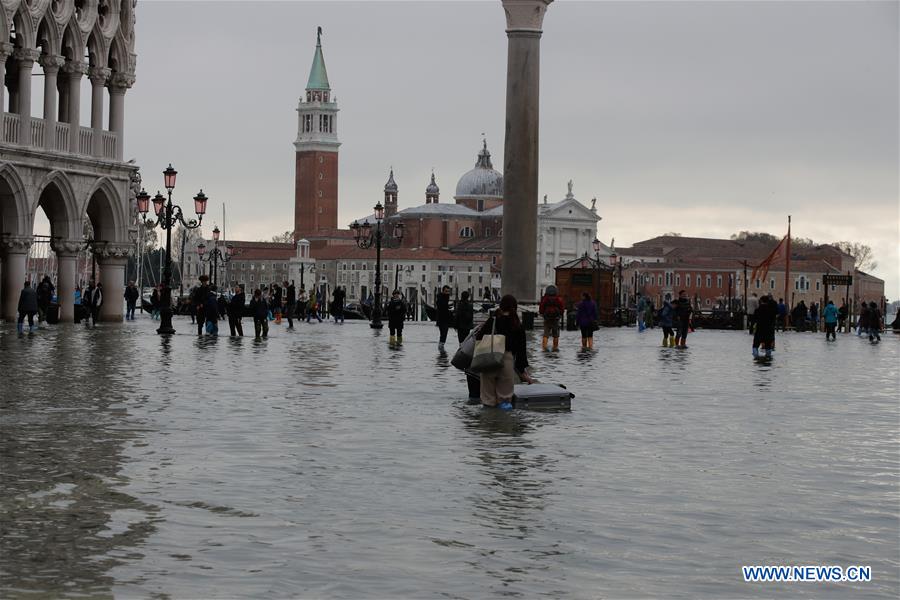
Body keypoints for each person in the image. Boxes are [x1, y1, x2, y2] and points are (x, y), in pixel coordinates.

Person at [476, 294, 533, 408]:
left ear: (501, 306)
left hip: (489, 360)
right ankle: (504, 423)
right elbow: (521, 352)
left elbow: (478, 337)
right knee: (505, 401)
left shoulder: (492, 321)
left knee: (488, 401)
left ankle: (487, 423)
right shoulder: (517, 325)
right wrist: (523, 373)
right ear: (515, 307)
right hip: (506, 360)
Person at [538, 284, 565, 351]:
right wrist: (559, 315)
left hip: (547, 319)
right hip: (555, 319)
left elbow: (541, 309)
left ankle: (544, 347)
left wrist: (543, 314)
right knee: (555, 335)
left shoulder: (545, 299)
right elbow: (562, 310)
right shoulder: (558, 299)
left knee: (546, 334)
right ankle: (555, 348)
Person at [435, 285, 452, 350]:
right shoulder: (440, 297)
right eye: (446, 291)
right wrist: (447, 306)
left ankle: (441, 346)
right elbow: (441, 306)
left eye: (448, 291)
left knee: (444, 333)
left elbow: (444, 306)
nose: (447, 293)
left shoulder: (446, 297)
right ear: (443, 291)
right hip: (441, 318)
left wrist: (448, 306)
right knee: (443, 333)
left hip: (445, 318)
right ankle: (441, 347)